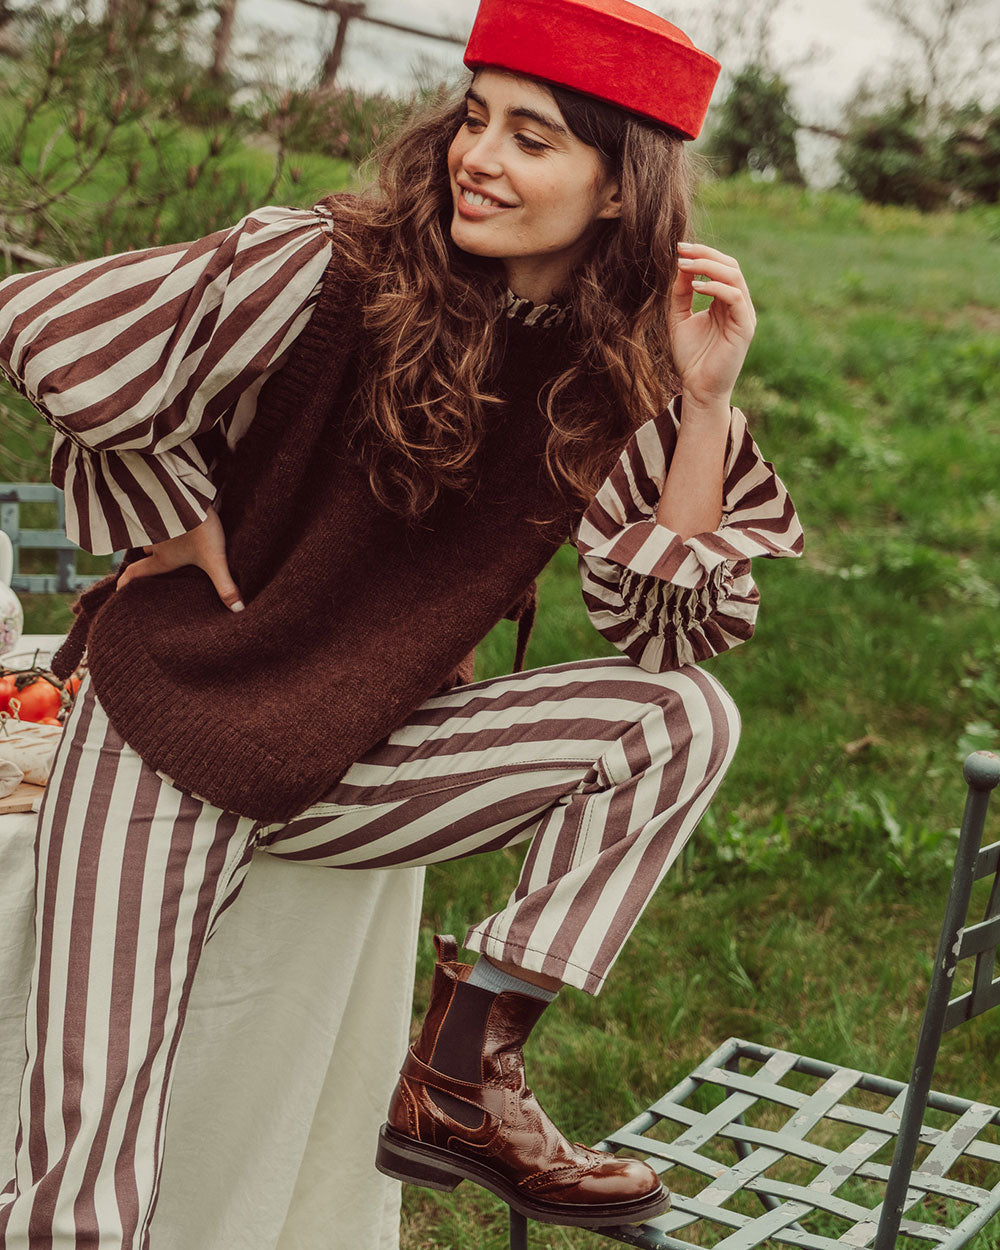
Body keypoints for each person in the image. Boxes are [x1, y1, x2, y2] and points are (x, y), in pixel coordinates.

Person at [0, 0, 803, 1241]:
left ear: (617, 189)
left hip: (359, 750)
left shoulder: (613, 374)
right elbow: (45, 323)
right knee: (85, 1176)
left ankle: (462, 1073)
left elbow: (660, 628)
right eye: (474, 118)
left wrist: (704, 405)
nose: (477, 156)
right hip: (166, 731)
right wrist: (173, 504)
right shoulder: (327, 267)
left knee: (683, 717)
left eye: (531, 137)